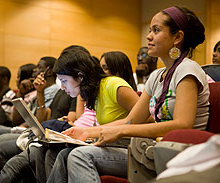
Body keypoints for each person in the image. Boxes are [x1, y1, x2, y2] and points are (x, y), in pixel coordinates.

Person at [47, 6, 209, 183]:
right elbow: (130, 120)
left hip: (180, 153)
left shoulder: (187, 69)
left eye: (156, 30)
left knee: (80, 156)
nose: (148, 36)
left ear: (177, 37)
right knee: (65, 153)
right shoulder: (156, 76)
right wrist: (86, 131)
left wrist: (120, 131)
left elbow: (182, 124)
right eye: (150, 30)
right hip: (153, 147)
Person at [0, 48, 139, 183]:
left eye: (64, 81)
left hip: (128, 146)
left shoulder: (114, 85)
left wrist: (89, 131)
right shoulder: (93, 93)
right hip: (108, 142)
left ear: (80, 77)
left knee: (66, 155)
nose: (62, 87)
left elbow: (146, 118)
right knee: (47, 151)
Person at [0, 57, 60, 174]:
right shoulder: (38, 90)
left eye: (39, 67)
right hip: (26, 127)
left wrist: (40, 92)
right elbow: (16, 120)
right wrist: (21, 93)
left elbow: (40, 121)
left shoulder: (53, 91)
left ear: (48, 71)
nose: (34, 70)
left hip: (34, 131)